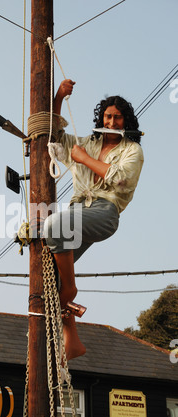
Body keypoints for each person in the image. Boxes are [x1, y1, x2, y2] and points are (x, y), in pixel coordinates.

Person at [44, 79, 144, 361]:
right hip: (79, 211)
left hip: (104, 212)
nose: (111, 121)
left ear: (125, 121)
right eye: (107, 116)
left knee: (54, 225)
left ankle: (72, 288)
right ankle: (71, 339)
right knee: (49, 277)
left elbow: (121, 180)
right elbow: (50, 133)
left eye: (117, 117)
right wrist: (59, 96)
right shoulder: (86, 143)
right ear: (102, 117)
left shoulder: (132, 150)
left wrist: (84, 159)